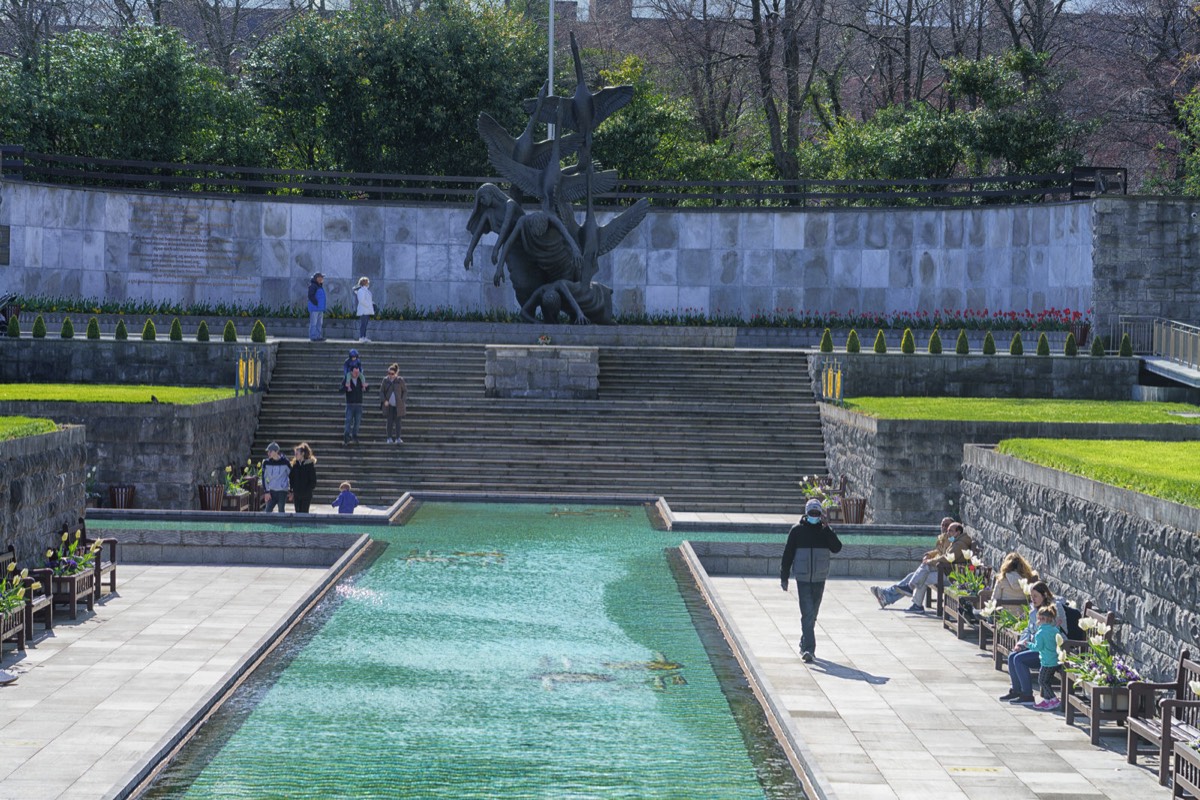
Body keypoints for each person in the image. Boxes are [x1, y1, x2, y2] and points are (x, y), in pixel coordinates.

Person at [780, 498, 844, 663]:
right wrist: (784, 576)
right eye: (811, 513)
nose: (814, 516)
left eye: (817, 513)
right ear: (806, 513)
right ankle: (809, 649)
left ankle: (804, 641)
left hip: (819, 578)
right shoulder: (797, 531)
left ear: (821, 514)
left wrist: (827, 528)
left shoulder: (824, 531)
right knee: (807, 613)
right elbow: (787, 554)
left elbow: (837, 548)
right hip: (802, 578)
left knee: (812, 614)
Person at [870, 518, 972, 614]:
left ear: (958, 532)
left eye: (950, 529)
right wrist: (928, 556)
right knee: (915, 575)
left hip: (949, 575)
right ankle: (892, 596)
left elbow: (946, 557)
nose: (946, 530)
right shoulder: (954, 540)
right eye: (944, 526)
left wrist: (929, 561)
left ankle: (910, 598)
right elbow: (940, 552)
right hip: (945, 570)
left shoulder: (958, 544)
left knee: (922, 576)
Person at [999, 580, 1068, 705]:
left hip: (1051, 651)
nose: (1033, 599)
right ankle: (1016, 691)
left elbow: (1049, 633)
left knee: (1019, 660)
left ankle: (1027, 695)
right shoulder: (1034, 611)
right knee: (1012, 656)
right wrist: (1021, 643)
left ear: (1044, 595)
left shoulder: (1053, 610)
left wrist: (1030, 641)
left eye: (1035, 596)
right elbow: (1029, 630)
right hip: (1039, 647)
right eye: (1031, 596)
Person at [1029, 605, 1063, 711]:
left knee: (1042, 681)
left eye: (1039, 618)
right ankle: (1047, 700)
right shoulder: (1054, 630)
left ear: (1043, 619)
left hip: (1047, 662)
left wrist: (1027, 644)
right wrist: (1057, 625)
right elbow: (1056, 634)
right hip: (1055, 660)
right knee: (1047, 681)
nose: (1038, 620)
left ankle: (1053, 699)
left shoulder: (1040, 633)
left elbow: (1038, 647)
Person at [379, 362, 407, 444]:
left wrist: (402, 400)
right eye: (389, 373)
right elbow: (381, 391)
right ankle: (389, 438)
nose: (390, 375)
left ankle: (398, 438)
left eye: (392, 373)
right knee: (389, 421)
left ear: (396, 373)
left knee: (398, 422)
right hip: (389, 405)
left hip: (398, 405)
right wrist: (384, 400)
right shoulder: (385, 380)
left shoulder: (400, 380)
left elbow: (405, 391)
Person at [261, 442, 291, 514]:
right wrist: (266, 491)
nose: (268, 453)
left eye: (270, 451)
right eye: (268, 451)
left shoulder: (286, 462)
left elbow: (291, 476)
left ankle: (282, 524)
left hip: (282, 491)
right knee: (267, 511)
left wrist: (291, 490)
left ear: (276, 451)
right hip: (271, 491)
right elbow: (264, 477)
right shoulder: (266, 462)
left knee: (281, 510)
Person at [290, 443, 317, 513]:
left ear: (302, 454)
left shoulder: (309, 465)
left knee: (304, 512)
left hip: (306, 494)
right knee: (297, 512)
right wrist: (291, 490)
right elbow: (291, 478)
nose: (295, 455)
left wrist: (307, 490)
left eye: (297, 453)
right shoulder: (295, 465)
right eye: (295, 454)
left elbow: (313, 481)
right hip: (296, 494)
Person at [342, 365, 366, 445]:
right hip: (350, 404)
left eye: (358, 372)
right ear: (351, 372)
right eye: (355, 372)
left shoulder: (360, 379)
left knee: (357, 422)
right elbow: (341, 388)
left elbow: (366, 388)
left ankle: (354, 436)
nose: (356, 374)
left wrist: (367, 387)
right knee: (348, 421)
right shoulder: (347, 379)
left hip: (359, 404)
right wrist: (346, 387)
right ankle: (346, 437)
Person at [353, 277, 374, 343]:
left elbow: (368, 300)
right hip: (364, 310)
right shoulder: (361, 291)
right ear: (364, 283)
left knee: (365, 324)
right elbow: (362, 300)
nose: (368, 283)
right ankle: (361, 337)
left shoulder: (366, 290)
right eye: (367, 282)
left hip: (367, 310)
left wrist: (372, 304)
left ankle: (364, 336)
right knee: (363, 324)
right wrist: (369, 305)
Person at [307, 272, 326, 341]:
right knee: (314, 323)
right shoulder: (313, 286)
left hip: (320, 308)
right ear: (317, 278)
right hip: (315, 308)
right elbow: (310, 296)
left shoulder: (319, 286)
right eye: (321, 277)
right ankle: (313, 336)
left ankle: (318, 336)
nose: (322, 279)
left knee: (319, 324)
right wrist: (316, 303)